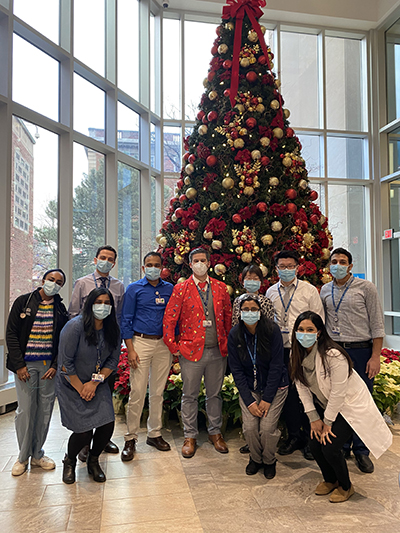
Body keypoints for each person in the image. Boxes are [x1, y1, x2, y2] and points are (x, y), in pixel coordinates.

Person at [291, 311, 392, 503]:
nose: (304, 334)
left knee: (330, 446)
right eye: (301, 329)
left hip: (349, 406)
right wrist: (314, 419)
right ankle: (330, 480)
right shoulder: (297, 354)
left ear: (319, 332)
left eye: (310, 330)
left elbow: (338, 393)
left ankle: (346, 486)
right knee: (314, 443)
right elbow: (302, 387)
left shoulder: (333, 355)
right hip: (328, 405)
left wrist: (327, 422)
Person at [320, 247, 386, 474]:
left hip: (360, 350)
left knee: (362, 401)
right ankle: (342, 445)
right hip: (335, 352)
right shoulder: (325, 289)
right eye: (334, 261)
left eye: (342, 261)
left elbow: (377, 325)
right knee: (338, 398)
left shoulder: (366, 288)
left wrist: (375, 356)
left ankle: (361, 450)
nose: (337, 265)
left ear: (350, 265)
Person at [163, 248, 232, 458]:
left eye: (203, 260)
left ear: (209, 263)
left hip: (216, 351)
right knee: (189, 395)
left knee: (214, 394)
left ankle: (215, 432)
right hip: (190, 352)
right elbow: (169, 319)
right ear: (190, 264)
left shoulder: (220, 287)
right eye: (196, 260)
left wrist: (227, 344)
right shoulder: (181, 289)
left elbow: (228, 317)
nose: (200, 264)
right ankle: (190, 436)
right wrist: (174, 347)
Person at [6, 269, 68, 476]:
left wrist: (55, 365)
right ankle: (22, 457)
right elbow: (11, 334)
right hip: (25, 366)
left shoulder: (60, 309)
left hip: (47, 368)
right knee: (25, 410)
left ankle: (37, 454)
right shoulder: (23, 302)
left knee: (44, 411)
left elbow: (62, 341)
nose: (54, 284)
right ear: (43, 280)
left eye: (59, 282)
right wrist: (19, 365)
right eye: (51, 279)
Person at [57, 288, 121, 484]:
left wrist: (94, 383)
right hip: (71, 383)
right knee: (83, 431)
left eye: (107, 303)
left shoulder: (113, 329)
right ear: (89, 304)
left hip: (96, 383)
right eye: (98, 302)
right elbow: (65, 363)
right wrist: (81, 388)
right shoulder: (74, 327)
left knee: (107, 423)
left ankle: (93, 460)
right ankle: (69, 461)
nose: (103, 306)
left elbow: (112, 361)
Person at [266, 251, 324, 460]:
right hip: (280, 351)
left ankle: (310, 438)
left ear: (297, 268)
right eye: (282, 266)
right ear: (276, 269)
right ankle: (294, 436)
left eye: (290, 266)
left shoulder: (309, 291)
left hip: (303, 349)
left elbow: (319, 320)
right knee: (288, 395)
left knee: (308, 393)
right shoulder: (271, 292)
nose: (286, 270)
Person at [68, 244, 124, 459]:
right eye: (103, 257)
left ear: (114, 263)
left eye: (110, 259)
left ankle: (103, 437)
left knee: (104, 395)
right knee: (86, 396)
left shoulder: (119, 286)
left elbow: (118, 317)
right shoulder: (82, 283)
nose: (106, 262)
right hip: (85, 347)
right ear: (95, 259)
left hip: (107, 347)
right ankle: (84, 441)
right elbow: (73, 313)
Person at [120, 252, 174, 461]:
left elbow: (174, 317)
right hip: (140, 342)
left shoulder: (170, 289)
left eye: (157, 265)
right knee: (137, 391)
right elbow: (126, 319)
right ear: (143, 268)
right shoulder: (134, 289)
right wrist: (130, 349)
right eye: (149, 265)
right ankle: (131, 437)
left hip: (163, 344)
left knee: (158, 392)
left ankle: (154, 434)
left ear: (162, 267)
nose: (153, 268)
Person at [228, 295, 288, 479]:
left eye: (254, 309)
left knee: (268, 428)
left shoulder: (272, 330)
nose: (250, 313)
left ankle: (269, 460)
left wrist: (267, 399)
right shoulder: (235, 334)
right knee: (250, 428)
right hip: (250, 389)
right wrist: (249, 402)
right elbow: (236, 370)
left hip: (275, 388)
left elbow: (277, 366)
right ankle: (255, 459)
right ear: (239, 312)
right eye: (245, 309)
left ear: (261, 312)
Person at [232, 264, 275, 454]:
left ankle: (263, 442)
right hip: (245, 354)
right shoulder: (238, 301)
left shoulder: (266, 301)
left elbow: (269, 328)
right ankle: (251, 441)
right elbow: (235, 326)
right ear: (243, 281)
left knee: (265, 411)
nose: (252, 281)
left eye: (255, 278)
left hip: (263, 353)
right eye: (248, 278)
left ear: (261, 281)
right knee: (249, 408)